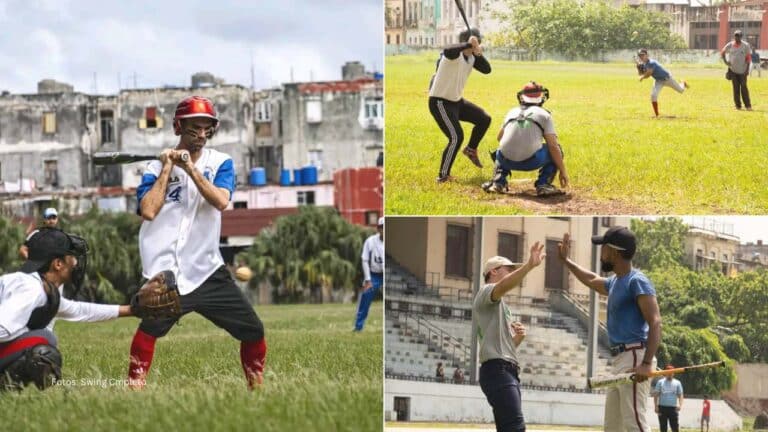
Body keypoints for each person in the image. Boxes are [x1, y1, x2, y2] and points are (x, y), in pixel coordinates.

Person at [127, 96, 266, 390]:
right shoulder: (154, 167)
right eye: (194, 129)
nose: (201, 135)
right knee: (149, 330)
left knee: (253, 330)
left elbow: (221, 201)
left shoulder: (221, 162)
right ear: (179, 126)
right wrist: (167, 168)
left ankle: (257, 389)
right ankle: (133, 388)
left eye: (207, 129)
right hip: (165, 270)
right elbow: (149, 211)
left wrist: (190, 168)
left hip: (206, 269)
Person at [0, 227, 133, 390]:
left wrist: (130, 310)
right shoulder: (30, 289)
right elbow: (2, 328)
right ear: (57, 264)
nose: (76, 263)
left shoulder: (41, 287)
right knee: (44, 342)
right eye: (72, 258)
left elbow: (80, 310)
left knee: (44, 338)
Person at [557, 226, 662, 432]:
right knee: (613, 427)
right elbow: (591, 279)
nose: (601, 252)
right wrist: (566, 261)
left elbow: (656, 322)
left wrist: (647, 363)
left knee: (635, 425)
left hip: (634, 357)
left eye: (603, 247)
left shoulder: (636, 281)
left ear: (614, 251)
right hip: (621, 359)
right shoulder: (616, 281)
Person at [474, 244, 545, 432]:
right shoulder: (486, 292)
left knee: (508, 428)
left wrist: (517, 340)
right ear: (494, 271)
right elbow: (504, 285)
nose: (514, 273)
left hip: (505, 369)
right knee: (515, 427)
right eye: (509, 269)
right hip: (498, 370)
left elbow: (500, 346)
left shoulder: (502, 305)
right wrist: (529, 265)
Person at [481, 82, 569, 197]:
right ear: (541, 97)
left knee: (503, 148)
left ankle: (498, 182)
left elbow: (499, 138)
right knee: (556, 149)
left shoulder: (511, 111)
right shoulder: (544, 115)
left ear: (522, 97)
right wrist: (563, 171)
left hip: (504, 160)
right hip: (531, 162)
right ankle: (543, 185)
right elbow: (553, 146)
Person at [428, 27, 492, 183]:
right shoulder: (451, 56)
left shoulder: (471, 58)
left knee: (484, 119)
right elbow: (448, 49)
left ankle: (471, 149)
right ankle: (443, 176)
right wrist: (467, 45)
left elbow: (487, 70)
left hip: (457, 101)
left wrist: (477, 52)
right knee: (456, 137)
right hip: (440, 102)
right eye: (475, 44)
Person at [637, 49, 689, 117]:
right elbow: (641, 73)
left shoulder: (652, 62)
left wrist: (642, 77)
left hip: (667, 79)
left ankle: (683, 83)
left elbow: (649, 74)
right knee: (653, 95)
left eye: (642, 55)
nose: (641, 57)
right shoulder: (644, 64)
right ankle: (657, 115)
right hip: (658, 81)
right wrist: (638, 69)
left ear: (647, 55)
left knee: (681, 90)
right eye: (640, 55)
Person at [354, 216, 384, 332]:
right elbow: (365, 260)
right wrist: (368, 279)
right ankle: (358, 326)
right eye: (382, 228)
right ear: (378, 229)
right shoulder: (371, 241)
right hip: (374, 274)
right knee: (365, 297)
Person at [721, 30, 752, 110]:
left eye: (738, 36)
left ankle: (748, 106)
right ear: (734, 36)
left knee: (744, 87)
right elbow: (723, 52)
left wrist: (747, 70)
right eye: (735, 35)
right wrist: (725, 61)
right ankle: (738, 106)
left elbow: (748, 57)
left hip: (743, 71)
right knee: (736, 88)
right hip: (733, 71)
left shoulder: (746, 45)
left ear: (741, 37)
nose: (737, 37)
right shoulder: (730, 44)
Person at [654, 365, 684, 432]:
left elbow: (680, 395)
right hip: (662, 408)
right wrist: (656, 406)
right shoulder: (660, 382)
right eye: (668, 372)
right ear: (665, 373)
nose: (670, 374)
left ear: (674, 373)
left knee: (675, 427)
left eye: (671, 372)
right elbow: (656, 395)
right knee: (663, 427)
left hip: (673, 409)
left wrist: (680, 405)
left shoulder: (677, 383)